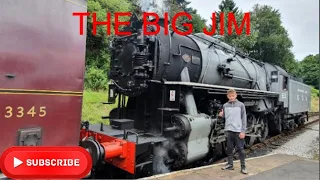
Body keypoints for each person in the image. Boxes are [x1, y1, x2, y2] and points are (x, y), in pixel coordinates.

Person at [218, 88, 248, 174]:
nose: (231, 97)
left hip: (238, 130)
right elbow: (224, 117)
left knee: (240, 149)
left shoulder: (241, 105)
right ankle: (230, 164)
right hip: (229, 130)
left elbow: (244, 118)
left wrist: (243, 131)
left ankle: (243, 167)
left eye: (233, 96)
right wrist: (221, 115)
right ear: (227, 96)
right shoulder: (225, 105)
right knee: (229, 149)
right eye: (230, 96)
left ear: (236, 95)